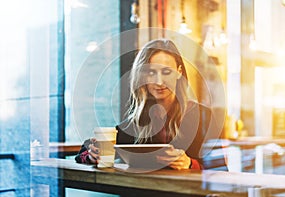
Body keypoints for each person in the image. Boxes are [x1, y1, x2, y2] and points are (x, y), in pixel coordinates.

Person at [75, 38, 228, 170]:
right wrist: (92, 154)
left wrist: (189, 164)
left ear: (179, 72)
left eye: (166, 72)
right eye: (151, 72)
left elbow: (220, 170)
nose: (159, 82)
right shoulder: (136, 122)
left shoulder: (203, 116)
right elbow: (84, 152)